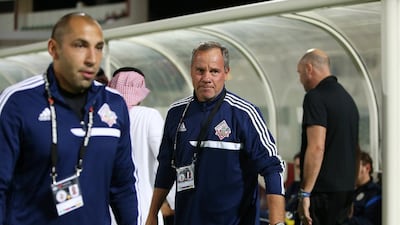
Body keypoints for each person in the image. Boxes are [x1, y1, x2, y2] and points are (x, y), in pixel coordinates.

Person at [0, 12, 138, 225]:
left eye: (99, 47)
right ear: (54, 49)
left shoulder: (114, 104)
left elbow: (123, 185)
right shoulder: (18, 102)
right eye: (80, 45)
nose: (92, 59)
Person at [145, 41, 286, 225]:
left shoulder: (244, 114)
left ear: (226, 73)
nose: (206, 77)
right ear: (191, 72)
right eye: (200, 70)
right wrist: (152, 214)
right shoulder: (176, 113)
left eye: (214, 71)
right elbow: (166, 168)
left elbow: (272, 168)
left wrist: (277, 222)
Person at [296, 48, 359, 225]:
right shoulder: (348, 99)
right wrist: (352, 191)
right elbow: (355, 148)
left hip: (322, 193)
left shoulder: (314, 97)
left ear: (309, 68)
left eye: (300, 73)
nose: (300, 80)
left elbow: (317, 146)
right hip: (344, 192)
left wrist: (305, 193)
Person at [108, 67, 175, 225]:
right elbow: (165, 161)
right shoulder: (148, 116)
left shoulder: (103, 117)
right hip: (143, 208)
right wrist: (175, 200)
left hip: (107, 210)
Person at [343, 151, 382, 225]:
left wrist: (347, 220)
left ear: (367, 168)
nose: (351, 172)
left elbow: (370, 221)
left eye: (355, 167)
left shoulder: (375, 193)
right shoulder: (351, 192)